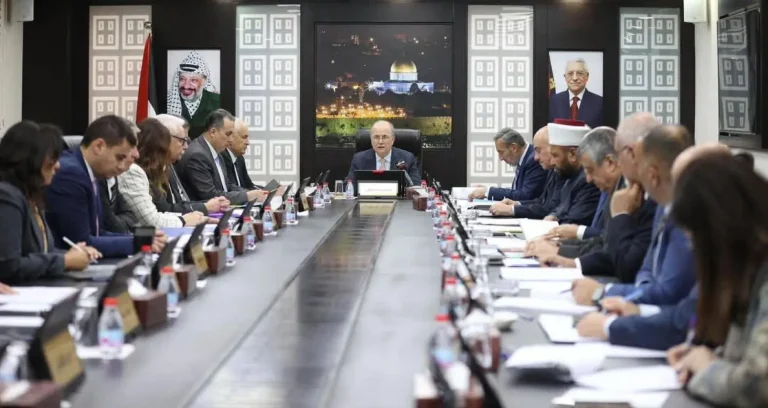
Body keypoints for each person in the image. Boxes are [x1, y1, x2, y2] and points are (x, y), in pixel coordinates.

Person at [663, 153, 768, 408]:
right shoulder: (753, 268)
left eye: (698, 242)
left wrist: (707, 369)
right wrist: (705, 357)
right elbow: (748, 354)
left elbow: (757, 386)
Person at [575, 125, 696, 345]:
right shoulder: (662, 206)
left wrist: (604, 293)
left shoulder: (687, 219)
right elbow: (646, 270)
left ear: (652, 174)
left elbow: (668, 293)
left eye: (637, 162)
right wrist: (637, 301)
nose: (626, 168)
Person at [45, 115, 166, 258]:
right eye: (119, 157)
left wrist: (143, 239)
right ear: (98, 146)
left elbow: (98, 232)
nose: (122, 166)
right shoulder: (71, 174)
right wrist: (137, 243)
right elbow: (81, 242)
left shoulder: (91, 170)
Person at [0, 121, 100, 285]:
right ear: (29, 160)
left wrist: (72, 254)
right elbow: (9, 266)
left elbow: (43, 251)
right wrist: (65, 260)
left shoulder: (32, 196)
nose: (58, 165)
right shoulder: (6, 196)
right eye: (52, 159)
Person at [118, 118, 208, 228]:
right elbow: (154, 219)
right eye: (163, 150)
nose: (186, 146)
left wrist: (194, 217)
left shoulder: (165, 167)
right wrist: (184, 220)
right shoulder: (133, 171)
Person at [176, 109, 267, 205]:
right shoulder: (197, 156)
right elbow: (210, 195)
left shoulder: (217, 151)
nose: (231, 140)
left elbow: (227, 185)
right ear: (213, 132)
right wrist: (247, 196)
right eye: (228, 134)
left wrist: (251, 193)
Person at [154, 114, 228, 215]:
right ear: (164, 139)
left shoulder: (169, 164)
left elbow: (180, 202)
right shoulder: (150, 169)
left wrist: (208, 205)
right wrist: (205, 207)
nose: (186, 147)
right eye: (182, 141)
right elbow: (164, 209)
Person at [488, 126, 565, 218]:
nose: (536, 157)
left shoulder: (562, 171)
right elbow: (541, 201)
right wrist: (517, 204)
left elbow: (548, 208)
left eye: (538, 151)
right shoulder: (553, 171)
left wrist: (512, 209)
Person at [543, 119, 601, 225]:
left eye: (555, 155)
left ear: (573, 154)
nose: (552, 162)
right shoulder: (569, 177)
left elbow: (574, 222)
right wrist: (553, 216)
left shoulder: (587, 181)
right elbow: (562, 208)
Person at [467, 128, 547, 202]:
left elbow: (524, 196)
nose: (500, 158)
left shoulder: (533, 160)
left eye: (501, 152)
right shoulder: (524, 158)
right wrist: (487, 190)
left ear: (514, 148)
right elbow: (516, 191)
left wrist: (488, 192)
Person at [167, 51, 221, 138]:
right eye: (182, 79)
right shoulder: (169, 101)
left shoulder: (217, 101)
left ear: (205, 82)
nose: (186, 86)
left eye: (193, 80)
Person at [346, 120, 421, 183]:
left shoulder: (407, 159)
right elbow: (348, 186)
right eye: (376, 137)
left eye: (385, 137)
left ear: (392, 140)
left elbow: (416, 186)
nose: (380, 141)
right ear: (371, 140)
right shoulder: (359, 160)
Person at [548, 58, 603, 129]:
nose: (574, 78)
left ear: (587, 76)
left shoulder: (600, 103)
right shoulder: (553, 101)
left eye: (579, 73)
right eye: (570, 73)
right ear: (565, 77)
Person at [220, 118, 261, 189]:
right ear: (231, 137)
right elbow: (229, 189)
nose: (248, 142)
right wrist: (250, 194)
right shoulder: (221, 158)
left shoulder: (239, 158)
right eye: (244, 137)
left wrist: (267, 191)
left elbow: (249, 185)